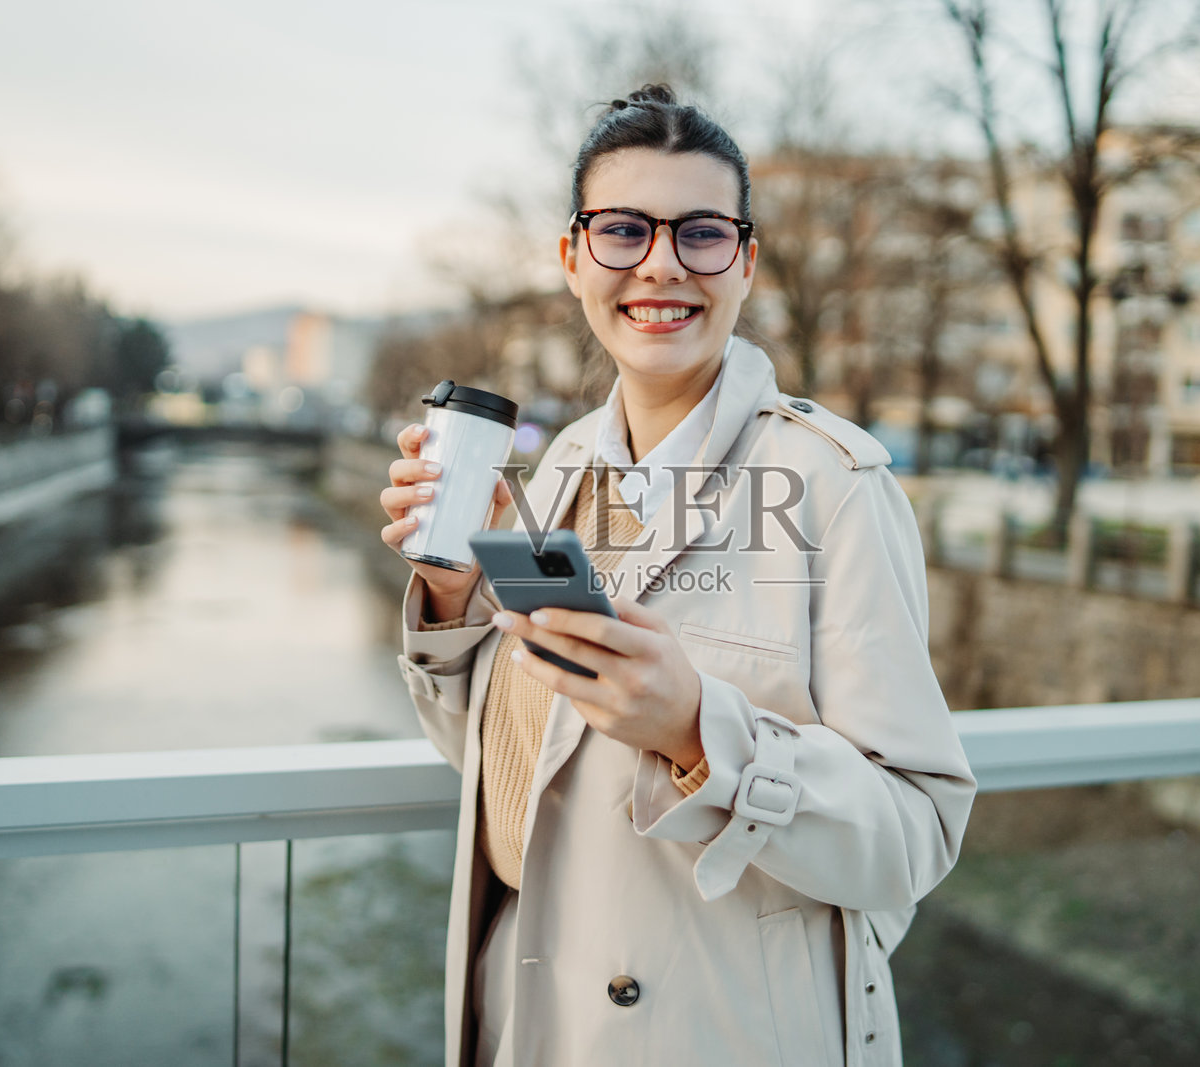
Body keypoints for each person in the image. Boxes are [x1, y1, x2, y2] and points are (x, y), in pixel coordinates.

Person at [381, 84, 975, 1067]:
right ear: (573, 258)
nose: (660, 263)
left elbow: (914, 835)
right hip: (533, 1021)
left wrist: (700, 731)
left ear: (744, 261)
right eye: (622, 229)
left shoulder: (832, 482)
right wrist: (451, 595)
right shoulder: (561, 470)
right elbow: (514, 774)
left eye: (699, 231)